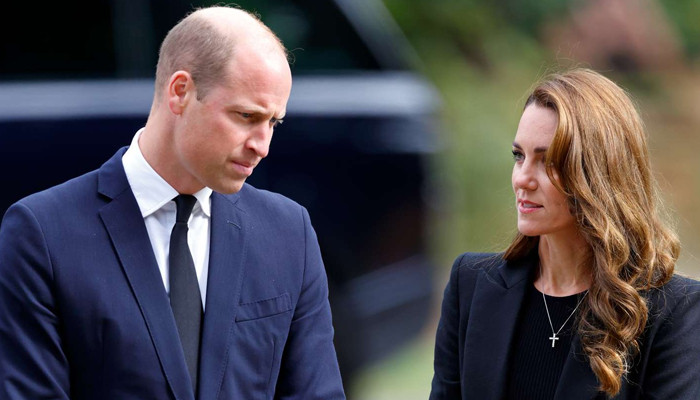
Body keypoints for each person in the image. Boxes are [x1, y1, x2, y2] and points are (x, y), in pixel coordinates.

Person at [0, 6, 345, 400]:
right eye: (246, 115)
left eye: (273, 122)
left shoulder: (288, 232)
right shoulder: (41, 234)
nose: (262, 146)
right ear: (180, 92)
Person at [429, 68, 700, 399]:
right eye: (519, 156)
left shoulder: (674, 312)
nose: (522, 179)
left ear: (600, 173)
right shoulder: (470, 285)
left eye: (548, 162)